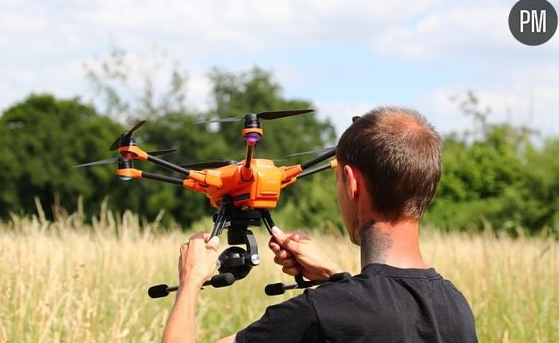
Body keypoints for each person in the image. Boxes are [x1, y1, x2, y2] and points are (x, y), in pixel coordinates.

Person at [162, 107, 478, 343]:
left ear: (352, 183)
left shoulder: (320, 312)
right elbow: (384, 310)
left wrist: (190, 282)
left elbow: (356, 312)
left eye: (338, 180)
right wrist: (337, 278)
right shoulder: (456, 308)